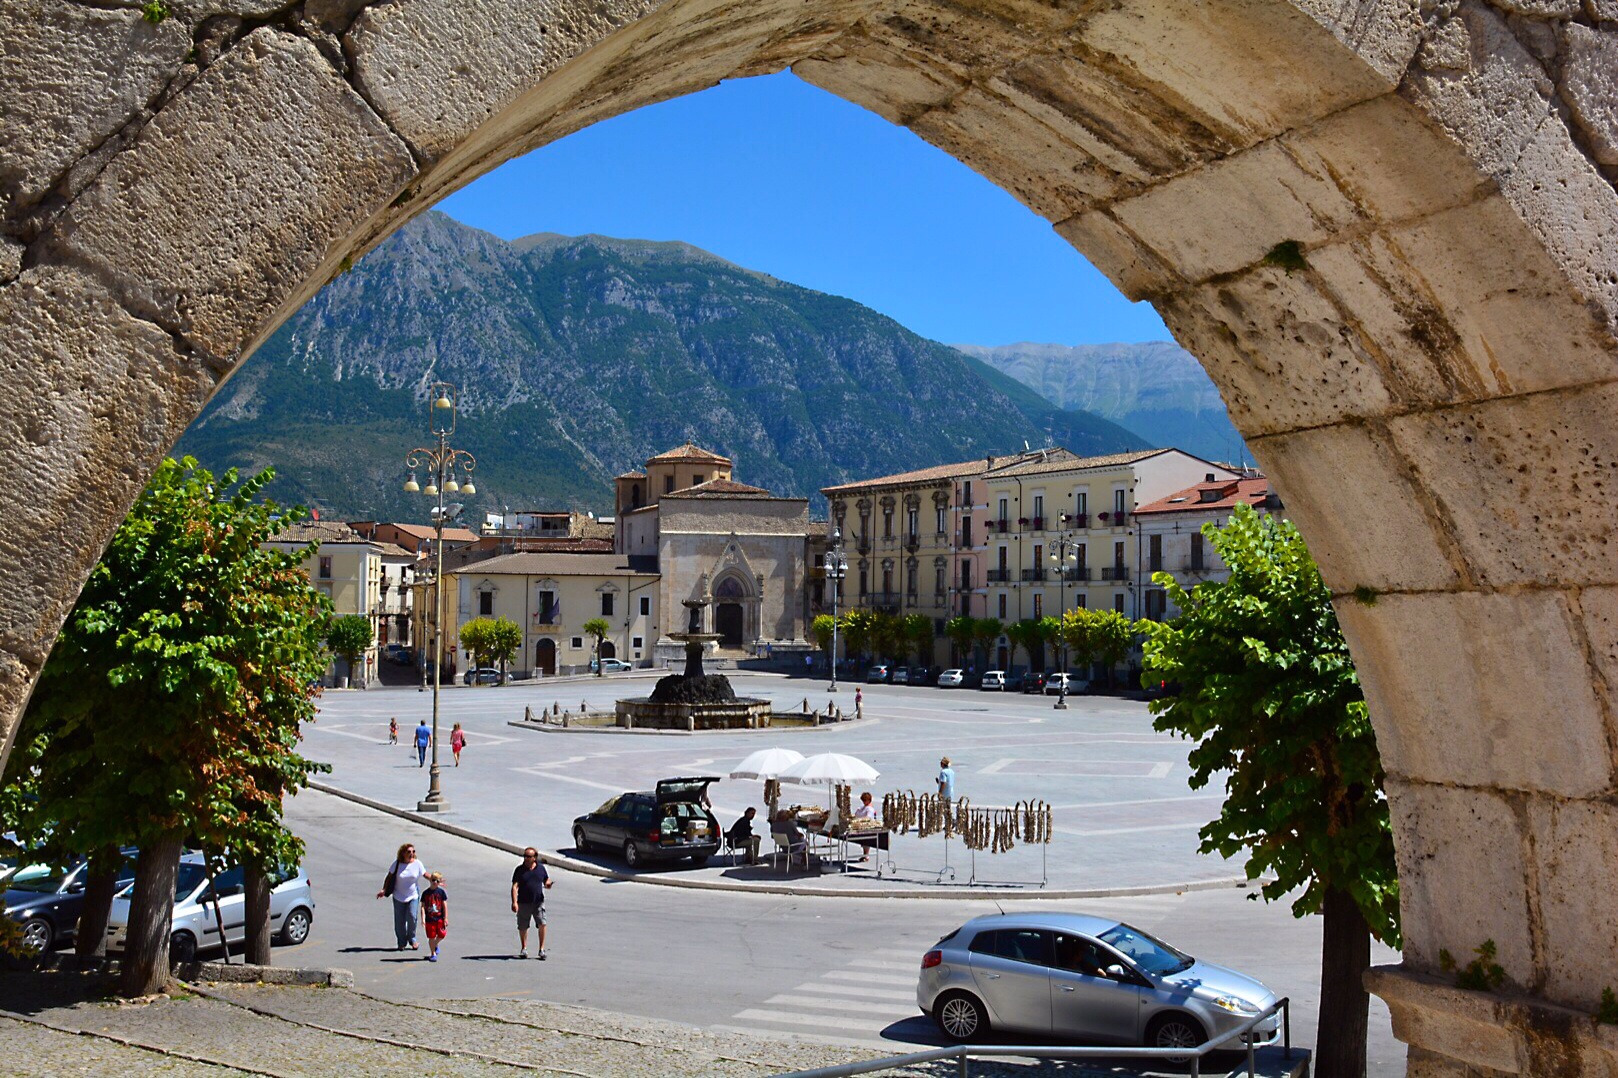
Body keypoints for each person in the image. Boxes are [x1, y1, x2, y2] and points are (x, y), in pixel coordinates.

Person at [376, 842, 427, 951]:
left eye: (413, 851)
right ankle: (401, 941)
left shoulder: (417, 863)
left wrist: (435, 879)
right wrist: (384, 889)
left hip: (413, 895)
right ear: (403, 853)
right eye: (409, 852)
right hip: (399, 895)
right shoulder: (397, 864)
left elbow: (425, 874)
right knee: (400, 920)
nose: (411, 854)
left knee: (412, 916)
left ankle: (412, 938)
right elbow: (389, 877)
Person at [510, 847, 554, 959]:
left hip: (538, 902)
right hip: (524, 903)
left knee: (542, 923)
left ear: (534, 858)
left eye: (529, 856)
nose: (526, 858)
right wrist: (514, 902)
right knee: (523, 926)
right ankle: (524, 948)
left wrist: (548, 884)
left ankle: (541, 949)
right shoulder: (519, 870)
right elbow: (515, 887)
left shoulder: (541, 869)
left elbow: (546, 880)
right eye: (525, 856)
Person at [420, 872, 448, 962]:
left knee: (442, 934)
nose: (435, 882)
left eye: (437, 881)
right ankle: (433, 953)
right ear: (430, 880)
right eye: (433, 880)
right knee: (431, 936)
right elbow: (423, 907)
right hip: (429, 919)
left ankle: (435, 945)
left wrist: (445, 918)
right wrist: (423, 919)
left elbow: (444, 905)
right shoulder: (426, 893)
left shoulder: (441, 892)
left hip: (439, 918)